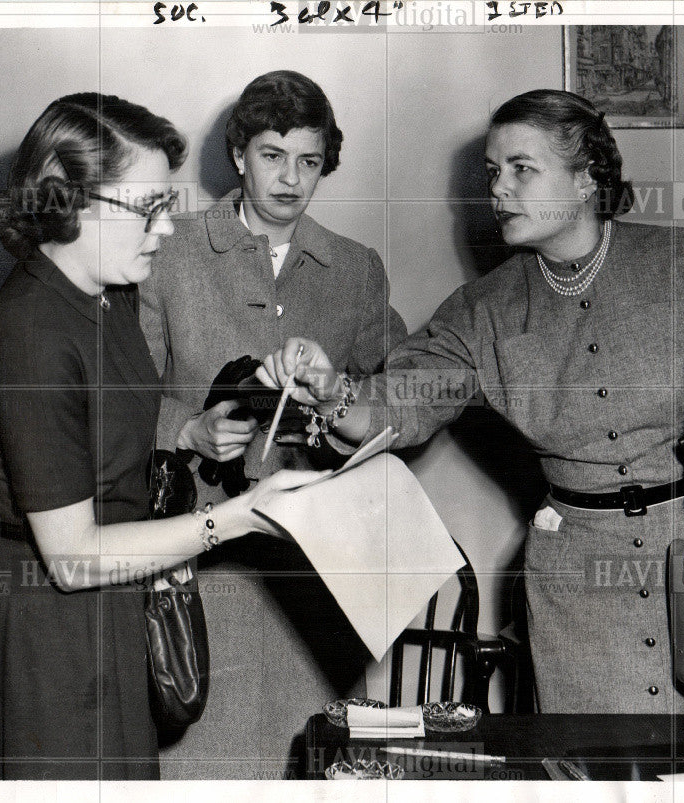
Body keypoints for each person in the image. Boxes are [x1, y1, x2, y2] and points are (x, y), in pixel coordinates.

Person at [259, 89, 684, 768]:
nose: (500, 190)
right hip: (577, 591)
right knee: (599, 770)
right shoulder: (484, 308)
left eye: (522, 169)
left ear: (586, 179)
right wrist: (329, 388)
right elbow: (397, 401)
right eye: (493, 172)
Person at [0, 93, 318, 781]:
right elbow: (72, 556)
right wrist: (234, 519)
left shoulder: (106, 296)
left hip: (112, 608)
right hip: (47, 628)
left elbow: (110, 439)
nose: (166, 229)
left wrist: (195, 429)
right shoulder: (30, 332)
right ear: (67, 199)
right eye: (147, 207)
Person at [138, 71, 407, 778]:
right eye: (271, 155)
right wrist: (189, 430)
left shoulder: (355, 268)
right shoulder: (168, 253)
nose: (291, 178)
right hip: (198, 549)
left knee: (313, 757)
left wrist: (336, 396)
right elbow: (114, 396)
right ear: (237, 154)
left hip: (319, 562)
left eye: (309, 161)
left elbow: (402, 397)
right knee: (204, 759)